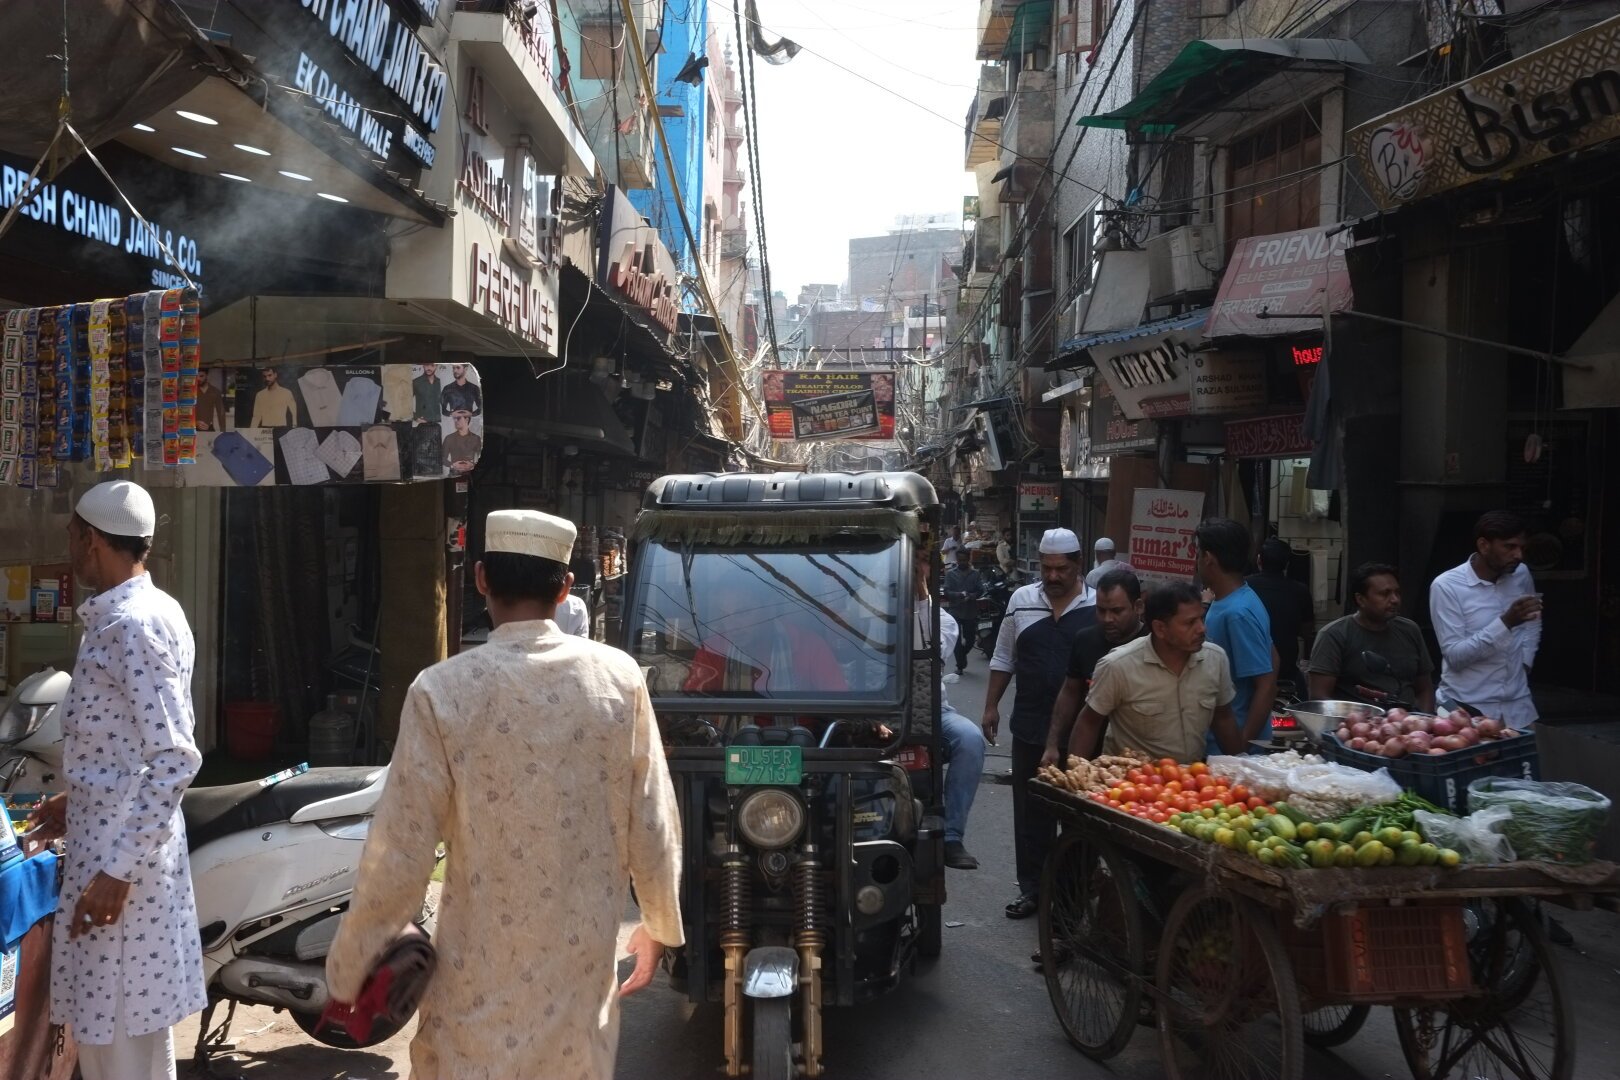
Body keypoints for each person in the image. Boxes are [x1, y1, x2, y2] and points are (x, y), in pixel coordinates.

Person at [326, 510, 682, 1079]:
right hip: (576, 996)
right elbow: (653, 820)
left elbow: (400, 851)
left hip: (474, 1000)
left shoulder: (441, 691)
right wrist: (659, 924)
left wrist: (348, 968)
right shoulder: (619, 681)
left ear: (481, 578)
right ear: (566, 588)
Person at [27, 481, 206, 1080]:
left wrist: (116, 871)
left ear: (93, 540)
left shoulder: (132, 624)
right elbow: (131, 746)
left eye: (75, 535)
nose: (72, 546)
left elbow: (175, 757)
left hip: (123, 875)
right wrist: (75, 800)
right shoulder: (143, 613)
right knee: (125, 1047)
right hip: (111, 852)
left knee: (123, 1049)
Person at [981, 528, 1096, 919]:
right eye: (1046, 568)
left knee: (1080, 816)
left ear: (1078, 564)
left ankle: (1073, 895)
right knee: (1031, 814)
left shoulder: (1098, 606)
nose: (1052, 576)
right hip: (1030, 724)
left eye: (1061, 569)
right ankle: (1032, 889)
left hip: (1082, 730)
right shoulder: (1021, 601)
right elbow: (1003, 656)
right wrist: (991, 706)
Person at [1065, 581, 1246, 763]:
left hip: (1191, 784)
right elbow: (1089, 723)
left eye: (1201, 618)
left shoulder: (1216, 659)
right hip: (1130, 784)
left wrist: (1243, 767)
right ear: (1160, 628)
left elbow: (1223, 718)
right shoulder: (1118, 666)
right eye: (1190, 622)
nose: (1202, 628)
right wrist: (1074, 776)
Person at [1430, 510, 1542, 725]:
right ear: (1484, 545)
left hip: (1517, 707)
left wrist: (1526, 661)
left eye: (1522, 548)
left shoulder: (1521, 573)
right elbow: (1455, 656)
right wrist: (1506, 622)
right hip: (1466, 709)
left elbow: (1533, 621)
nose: (1518, 555)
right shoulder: (1447, 586)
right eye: (1509, 547)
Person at [915, 549, 987, 871]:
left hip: (931, 709)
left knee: (970, 740)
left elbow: (930, 651)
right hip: (879, 710)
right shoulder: (868, 609)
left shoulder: (942, 619)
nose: (914, 565)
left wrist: (919, 595)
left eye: (920, 559)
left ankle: (952, 837)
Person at [1045, 568, 1148, 766]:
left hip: (1137, 762)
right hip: (1089, 755)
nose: (1108, 619)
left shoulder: (1153, 644)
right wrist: (1052, 744)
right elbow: (1070, 692)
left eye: (1117, 611)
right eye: (1101, 610)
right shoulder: (1085, 640)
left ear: (1138, 606)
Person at [1196, 518, 1278, 747]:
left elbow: (1267, 683)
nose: (1197, 561)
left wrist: (1241, 745)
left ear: (1208, 558)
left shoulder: (1237, 613)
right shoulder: (1234, 599)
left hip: (1230, 750)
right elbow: (1274, 658)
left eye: (1198, 554)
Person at [1310, 562, 1436, 712]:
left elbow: (1425, 689)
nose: (1395, 599)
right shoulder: (1334, 635)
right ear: (1361, 599)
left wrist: (1423, 723)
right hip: (1357, 728)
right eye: (1385, 594)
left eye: (1397, 592)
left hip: (1408, 727)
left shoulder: (1410, 630)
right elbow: (1319, 697)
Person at [1247, 537, 1315, 688]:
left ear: (1259, 560)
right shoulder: (1300, 591)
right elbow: (1307, 631)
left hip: (1250, 670)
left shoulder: (1244, 587)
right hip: (1287, 672)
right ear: (1287, 564)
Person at [940, 548, 983, 678]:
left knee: (970, 640)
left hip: (970, 611)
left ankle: (962, 656)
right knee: (956, 641)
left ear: (968, 559)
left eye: (964, 560)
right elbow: (946, 592)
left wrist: (971, 596)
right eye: (960, 560)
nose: (962, 562)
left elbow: (980, 590)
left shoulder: (975, 574)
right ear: (957, 560)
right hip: (955, 610)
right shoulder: (951, 574)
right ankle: (960, 666)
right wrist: (958, 595)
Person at [442, 409, 482, 473]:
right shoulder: (449, 438)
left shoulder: (476, 438)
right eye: (454, 418)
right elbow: (442, 457)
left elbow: (482, 455)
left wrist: (473, 465)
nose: (455, 421)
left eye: (458, 418)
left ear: (467, 420)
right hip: (454, 473)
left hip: (470, 473)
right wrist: (452, 465)